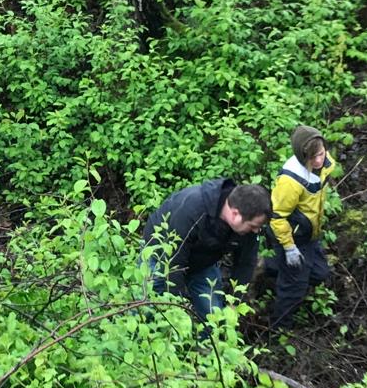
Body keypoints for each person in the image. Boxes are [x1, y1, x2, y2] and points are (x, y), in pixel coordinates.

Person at [142, 179, 273, 320]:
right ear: (235, 214)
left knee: (213, 316)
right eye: (253, 226)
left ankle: (207, 339)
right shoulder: (192, 210)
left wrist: (234, 303)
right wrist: (177, 306)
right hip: (162, 255)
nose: (256, 231)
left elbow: (246, 263)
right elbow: (174, 263)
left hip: (203, 261)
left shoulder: (248, 225)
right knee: (146, 308)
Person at [267, 124, 336, 326]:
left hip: (310, 234)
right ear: (302, 155)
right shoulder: (290, 180)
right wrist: (289, 248)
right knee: (294, 288)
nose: (318, 161)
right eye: (312, 157)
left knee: (320, 273)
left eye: (321, 154)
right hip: (292, 237)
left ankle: (267, 266)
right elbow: (276, 216)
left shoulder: (325, 161)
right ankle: (280, 329)